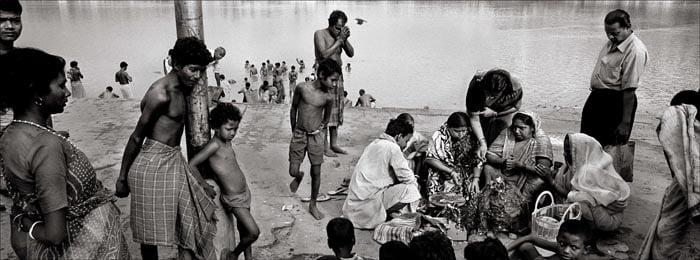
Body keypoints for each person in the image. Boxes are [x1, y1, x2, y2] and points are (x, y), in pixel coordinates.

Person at [0, 47, 130, 259]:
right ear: (37, 92)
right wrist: (23, 222)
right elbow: (54, 234)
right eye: (61, 85)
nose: (68, 92)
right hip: (82, 247)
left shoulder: (10, 134)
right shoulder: (46, 145)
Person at [115, 37, 217, 260]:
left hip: (172, 160)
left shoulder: (185, 86)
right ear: (177, 65)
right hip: (151, 165)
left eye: (201, 71)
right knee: (148, 235)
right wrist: (122, 178)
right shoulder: (160, 93)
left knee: (195, 217)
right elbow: (136, 137)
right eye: (193, 70)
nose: (197, 76)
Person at [188, 103, 260, 260]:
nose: (233, 133)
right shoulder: (214, 146)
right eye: (229, 129)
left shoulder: (227, 141)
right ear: (216, 126)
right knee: (254, 232)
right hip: (233, 199)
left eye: (235, 129)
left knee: (245, 231)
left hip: (244, 193)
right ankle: (232, 255)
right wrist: (204, 185)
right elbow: (191, 165)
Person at [637, 90, 700, 260]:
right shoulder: (685, 132)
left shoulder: (681, 125)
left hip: (684, 192)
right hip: (683, 188)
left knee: (667, 236)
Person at [580, 9, 648, 147]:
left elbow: (629, 90)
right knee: (585, 144)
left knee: (609, 148)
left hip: (616, 103)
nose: (610, 36)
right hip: (597, 99)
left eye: (615, 33)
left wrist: (625, 123)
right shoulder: (612, 42)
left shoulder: (635, 51)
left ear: (627, 27)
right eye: (607, 32)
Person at [539, 133, 630, 232]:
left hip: (607, 217)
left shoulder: (591, 171)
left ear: (582, 150)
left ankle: (590, 234)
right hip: (597, 209)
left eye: (569, 150)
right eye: (565, 149)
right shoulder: (582, 161)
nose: (565, 153)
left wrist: (552, 182)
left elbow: (579, 197)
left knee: (579, 205)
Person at [342, 118, 421, 229]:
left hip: (353, 207)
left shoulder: (374, 144)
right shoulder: (392, 147)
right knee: (412, 189)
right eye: (406, 141)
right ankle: (399, 216)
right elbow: (408, 178)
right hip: (368, 208)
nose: (405, 145)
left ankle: (391, 213)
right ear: (398, 137)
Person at [288, 58, 339, 220]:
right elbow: (294, 108)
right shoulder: (302, 88)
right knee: (292, 170)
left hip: (316, 136)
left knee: (316, 171)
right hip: (299, 134)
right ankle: (299, 176)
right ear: (322, 74)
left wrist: (321, 129)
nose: (334, 84)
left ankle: (313, 204)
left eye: (336, 81)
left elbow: (326, 117)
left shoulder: (328, 97)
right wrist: (294, 130)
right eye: (333, 80)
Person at [483, 111, 553, 203]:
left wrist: (521, 165)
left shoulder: (542, 140)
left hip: (526, 177)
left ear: (532, 128)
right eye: (515, 127)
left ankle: (522, 202)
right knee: (488, 168)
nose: (516, 131)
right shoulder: (508, 132)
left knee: (538, 181)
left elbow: (544, 170)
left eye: (522, 128)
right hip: (505, 173)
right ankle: (490, 196)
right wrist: (503, 161)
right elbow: (490, 154)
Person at [315, 9, 355, 157]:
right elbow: (323, 54)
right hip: (325, 77)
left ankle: (334, 144)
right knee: (326, 112)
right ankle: (325, 147)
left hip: (338, 77)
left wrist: (345, 39)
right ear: (330, 24)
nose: (339, 31)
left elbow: (351, 53)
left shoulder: (340, 37)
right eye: (337, 28)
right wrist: (339, 40)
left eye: (342, 28)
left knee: (337, 111)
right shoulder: (320, 34)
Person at [465, 68, 523, 161]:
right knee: (473, 136)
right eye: (487, 93)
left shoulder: (515, 89)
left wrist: (495, 113)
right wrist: (482, 142)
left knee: (501, 132)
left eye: (493, 96)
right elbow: (474, 118)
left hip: (502, 109)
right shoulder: (476, 85)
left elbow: (516, 108)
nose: (488, 98)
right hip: (481, 109)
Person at [425, 112, 481, 198]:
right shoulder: (439, 136)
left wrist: (476, 178)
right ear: (449, 127)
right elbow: (430, 158)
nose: (461, 134)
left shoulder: (471, 136)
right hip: (443, 172)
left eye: (463, 131)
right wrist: (451, 172)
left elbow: (478, 159)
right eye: (457, 131)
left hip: (463, 173)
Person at [508, 219, 591, 260]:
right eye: (562, 243)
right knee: (525, 247)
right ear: (557, 238)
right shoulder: (564, 248)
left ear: (586, 250)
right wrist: (503, 250)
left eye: (573, 248)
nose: (566, 250)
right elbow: (531, 237)